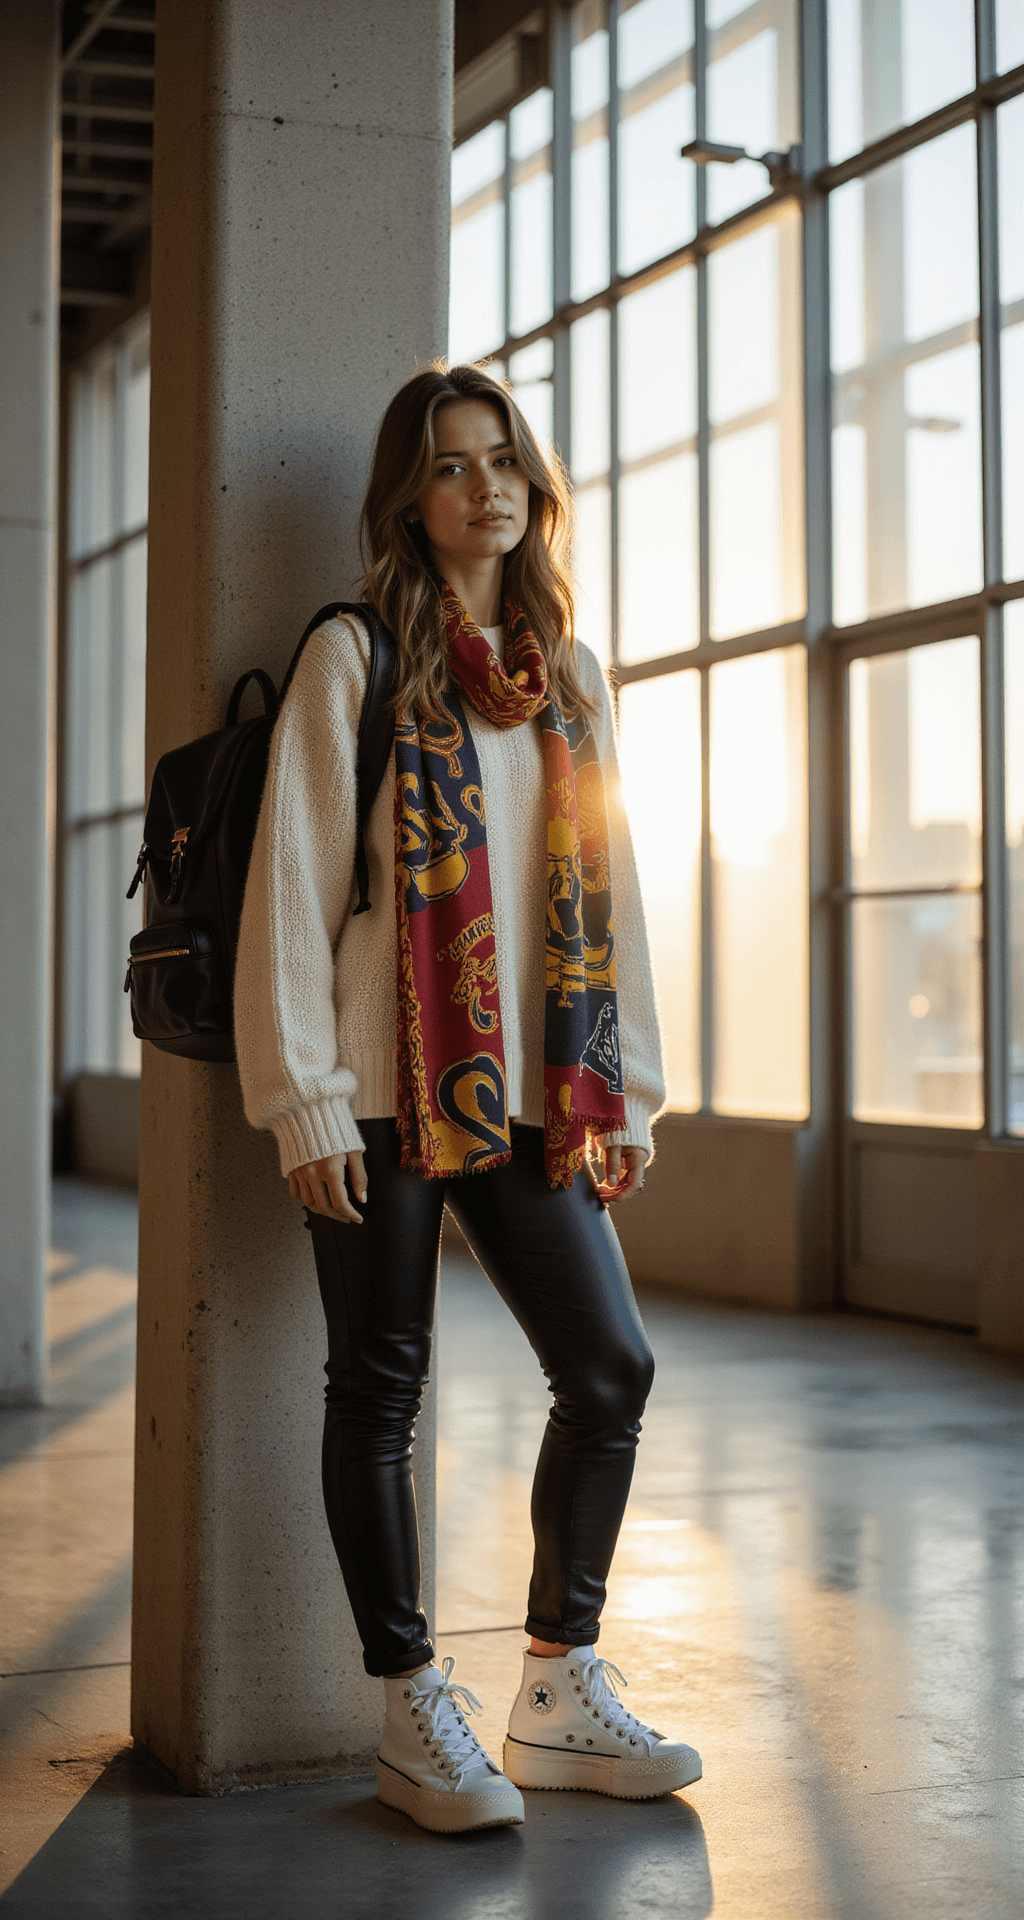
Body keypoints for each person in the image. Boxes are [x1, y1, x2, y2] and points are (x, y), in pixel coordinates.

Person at [234, 361, 702, 1835]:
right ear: (409, 495)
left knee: (610, 1370)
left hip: (535, 1092)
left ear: (533, 485)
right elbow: (292, 896)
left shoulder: (569, 672)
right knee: (381, 1388)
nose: (485, 487)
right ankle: (408, 1707)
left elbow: (611, 895)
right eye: (451, 465)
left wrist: (627, 1090)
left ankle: (557, 1686)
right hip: (383, 1090)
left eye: (505, 460)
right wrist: (304, 1102)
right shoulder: (358, 655)